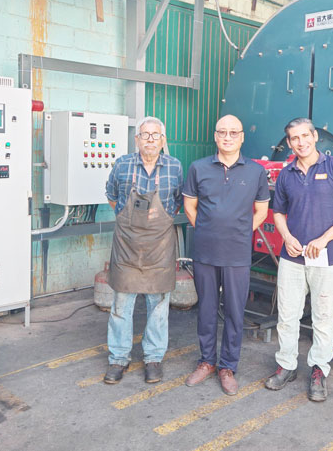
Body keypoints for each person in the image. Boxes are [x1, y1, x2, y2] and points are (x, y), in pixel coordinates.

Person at [264, 117, 333, 402]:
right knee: (287, 315)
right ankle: (286, 365)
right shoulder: (287, 173)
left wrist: (324, 239)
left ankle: (319, 369)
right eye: (294, 138)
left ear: (315, 136)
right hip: (293, 257)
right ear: (290, 143)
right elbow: (278, 212)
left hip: (326, 257)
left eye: (305, 136)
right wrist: (287, 237)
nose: (301, 142)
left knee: (323, 317)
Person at [183, 114, 270, 396]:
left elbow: (262, 211)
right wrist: (209, 230)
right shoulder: (199, 168)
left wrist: (241, 233)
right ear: (216, 136)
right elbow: (190, 207)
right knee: (206, 310)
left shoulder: (256, 172)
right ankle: (207, 361)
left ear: (242, 137)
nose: (228, 137)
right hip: (205, 252)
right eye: (223, 132)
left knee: (234, 312)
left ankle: (227, 366)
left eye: (234, 132)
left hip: (238, 254)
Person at [103, 116, 183, 385]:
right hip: (127, 245)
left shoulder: (174, 167)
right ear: (136, 139)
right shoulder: (123, 164)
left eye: (155, 135)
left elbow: (179, 200)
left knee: (158, 307)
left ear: (163, 140)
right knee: (121, 305)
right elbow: (111, 194)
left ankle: (153, 358)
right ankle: (118, 358)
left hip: (160, 246)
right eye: (144, 134)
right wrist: (125, 218)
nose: (150, 139)